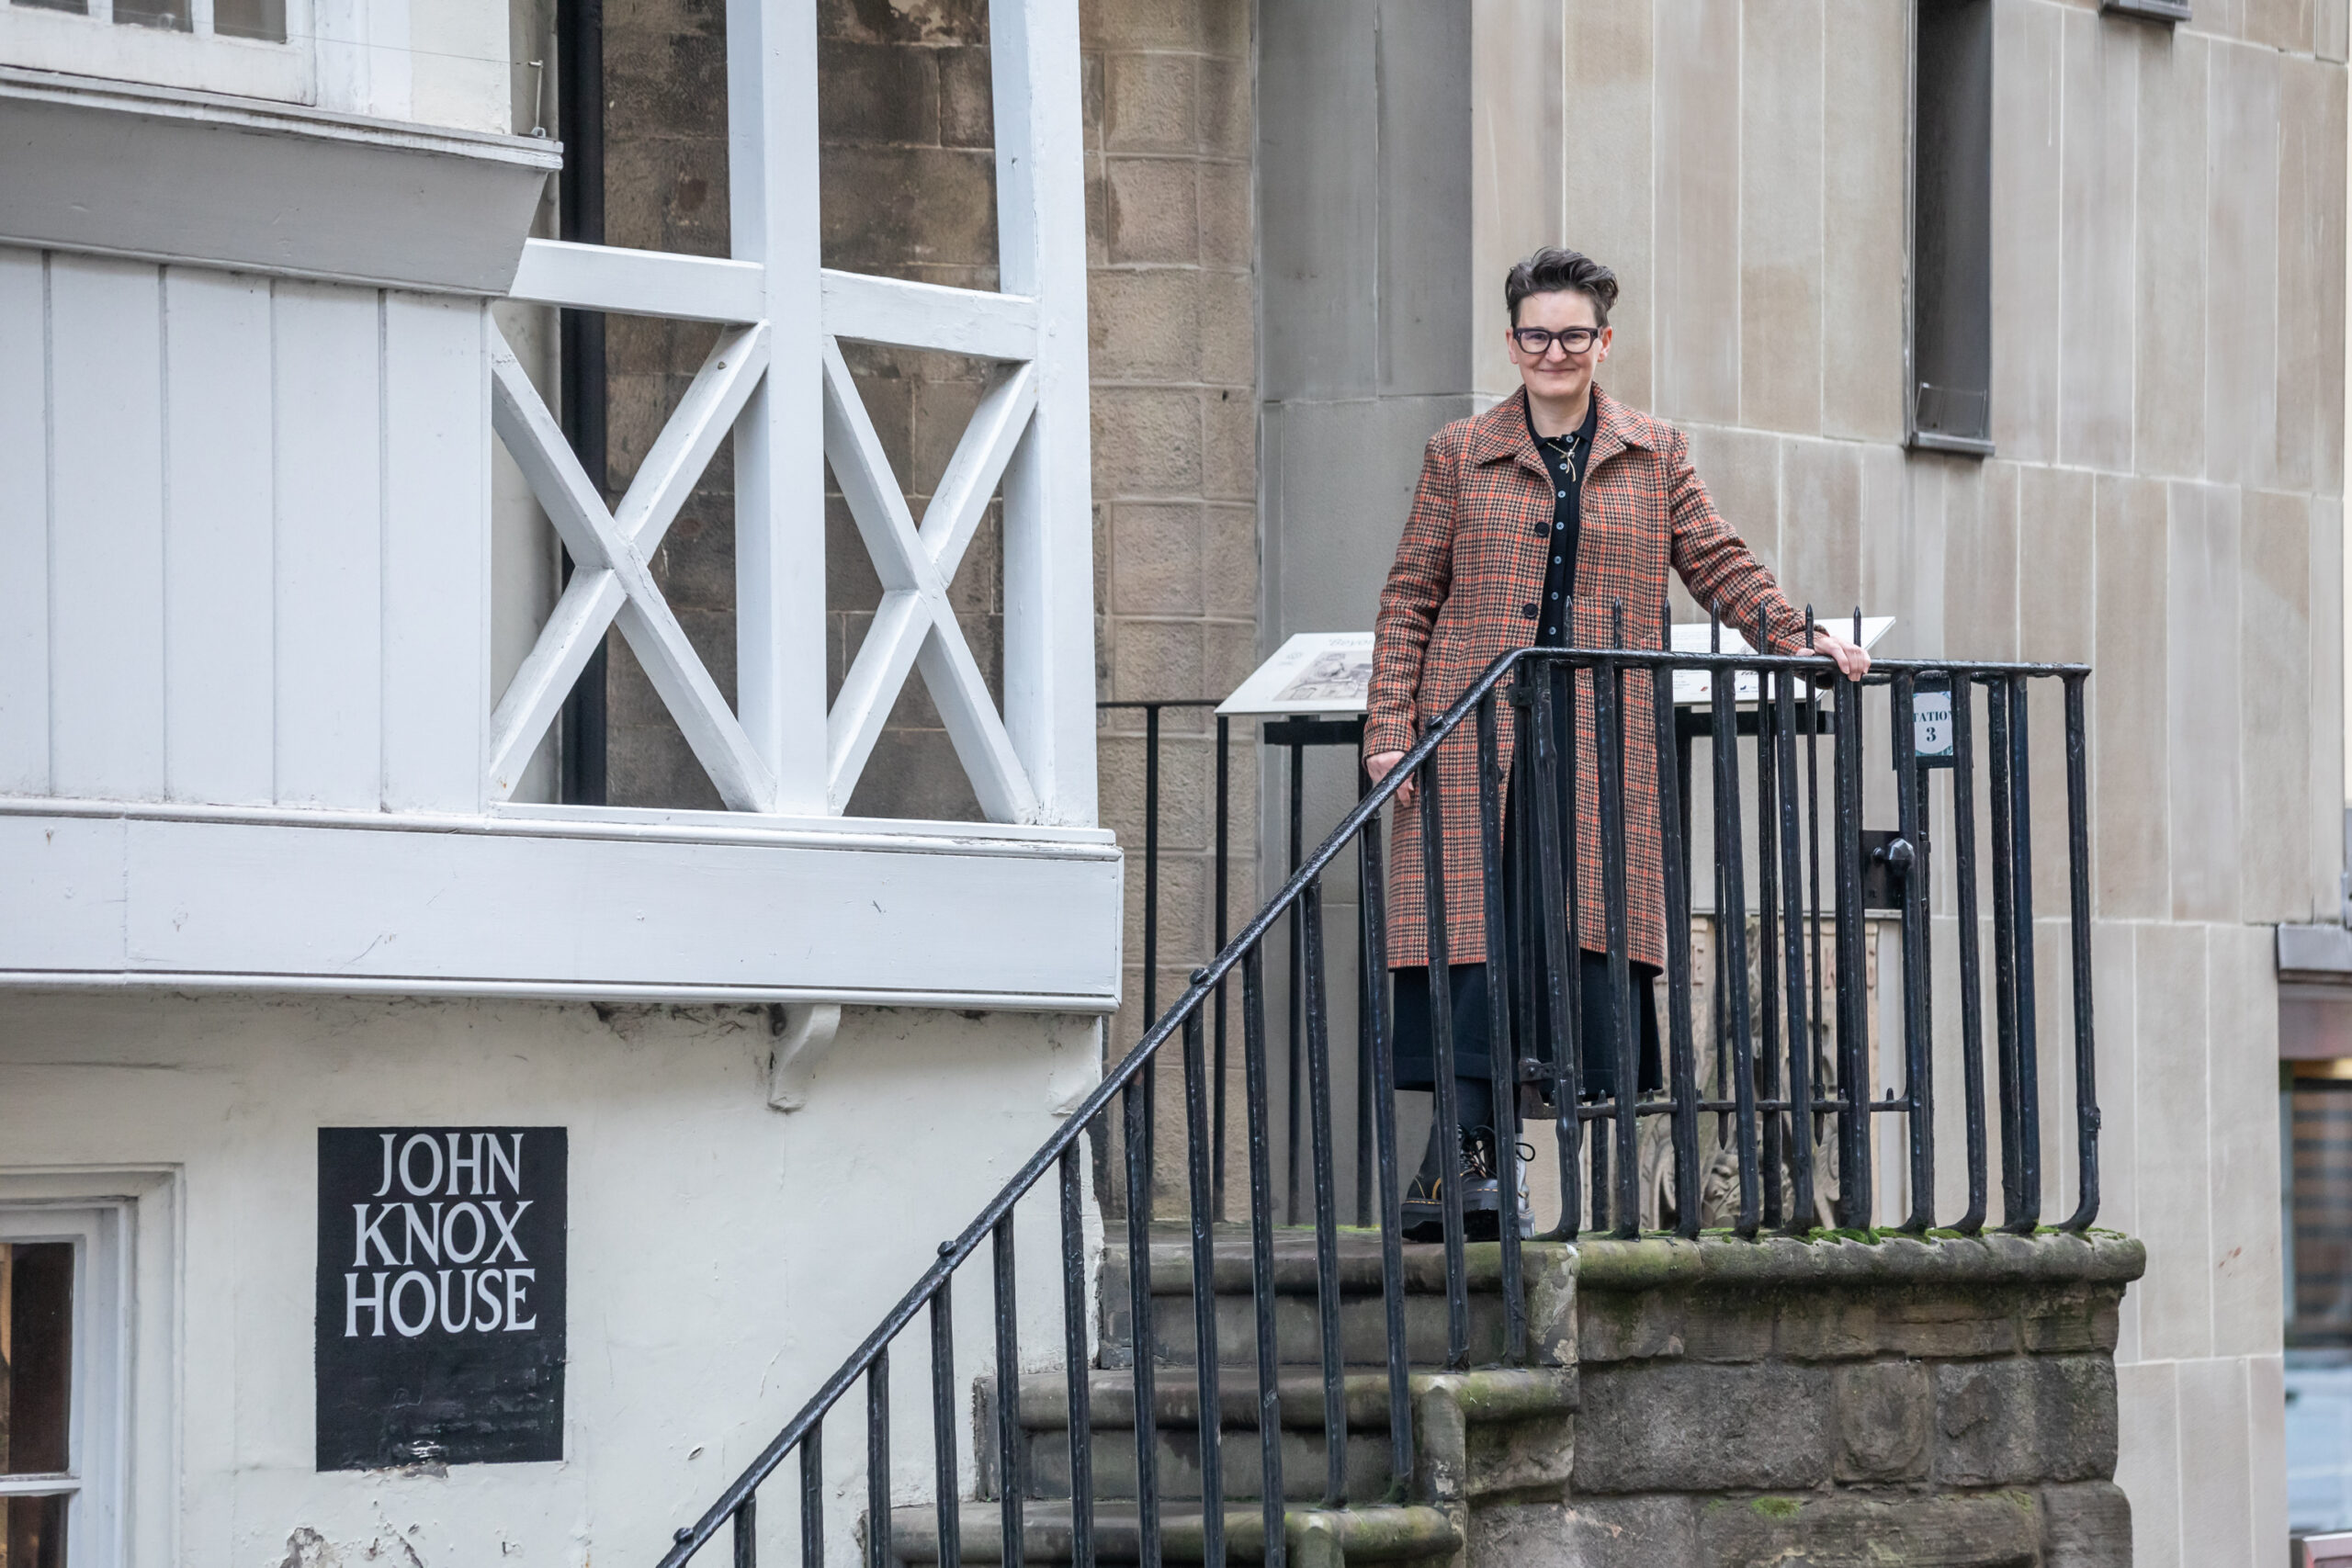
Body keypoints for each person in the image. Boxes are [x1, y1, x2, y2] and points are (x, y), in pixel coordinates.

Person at [1363, 247, 1871, 1240]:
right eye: (1535, 334)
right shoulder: (1456, 453)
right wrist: (1390, 729)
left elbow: (1717, 561)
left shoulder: (1655, 453)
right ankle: (1465, 1157)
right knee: (1473, 939)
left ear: (1605, 341)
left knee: (1566, 929)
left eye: (1573, 334)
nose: (1554, 351)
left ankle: (1475, 1161)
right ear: (1511, 342)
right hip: (1473, 732)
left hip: (1597, 739)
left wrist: (1793, 637)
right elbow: (1410, 595)